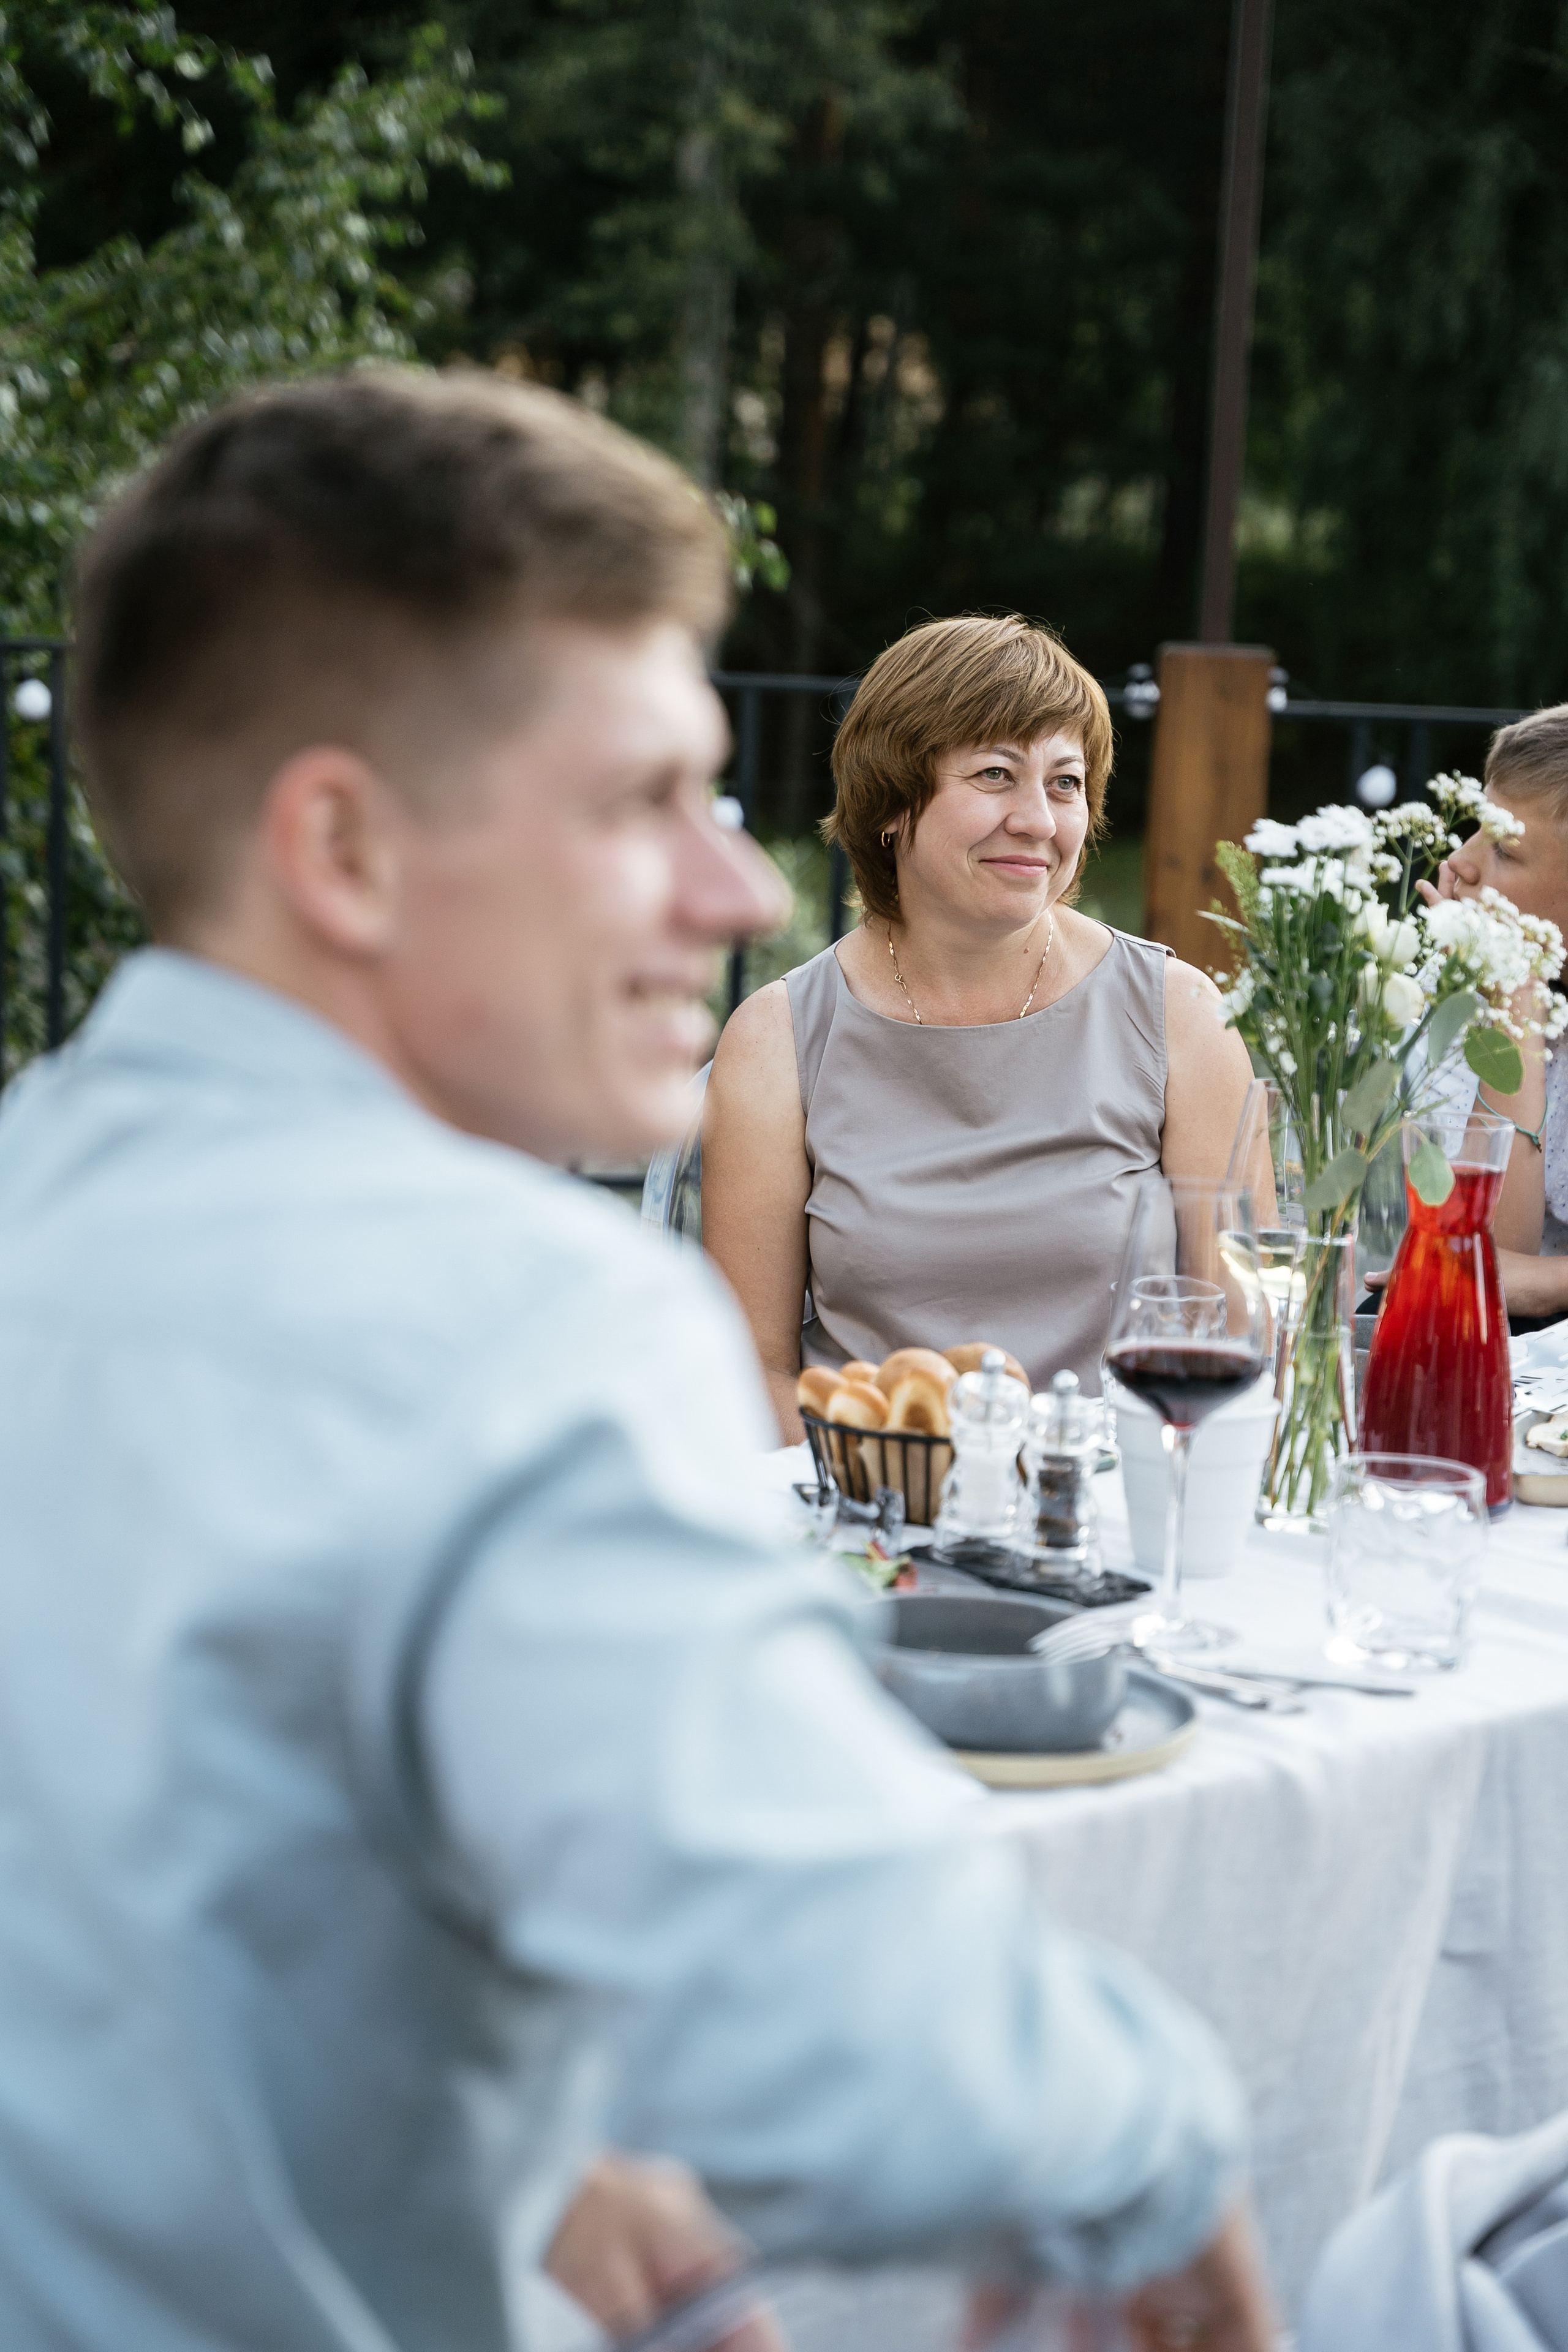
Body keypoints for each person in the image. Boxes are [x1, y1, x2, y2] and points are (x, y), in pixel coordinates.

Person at [0, 369, 1274, 2352]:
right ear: (343, 850)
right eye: (640, 802)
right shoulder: (509, 1315)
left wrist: (540, 2157)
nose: (738, 887)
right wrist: (1156, 2149)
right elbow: (849, 2034)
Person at [701, 614, 1257, 1441]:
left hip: (1110, 1510)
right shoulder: (778, 1038)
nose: (1039, 820)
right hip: (872, 1515)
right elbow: (754, 1371)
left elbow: (1244, 1334)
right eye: (997, 775)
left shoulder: (1180, 1016)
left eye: (1065, 783)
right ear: (892, 804)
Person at [1417, 706, 1568, 1323]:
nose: (1461, 863)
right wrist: (1513, 1002)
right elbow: (1487, 1258)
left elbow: (1509, 1278)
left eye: (1503, 849)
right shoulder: (1465, 987)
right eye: (1477, 827)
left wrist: (1552, 1284)